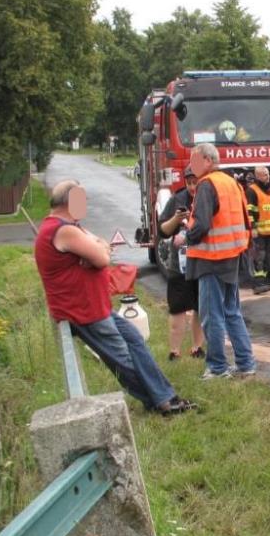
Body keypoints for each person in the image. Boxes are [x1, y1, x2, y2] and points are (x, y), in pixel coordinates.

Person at [34, 180, 196, 416]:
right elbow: (103, 259)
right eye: (82, 199)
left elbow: (103, 246)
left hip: (96, 307)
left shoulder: (71, 226)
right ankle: (158, 403)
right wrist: (97, 252)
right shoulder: (63, 230)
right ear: (70, 202)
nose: (85, 204)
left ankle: (166, 396)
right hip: (82, 311)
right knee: (123, 358)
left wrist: (98, 249)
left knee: (136, 343)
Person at [174, 143, 258, 380]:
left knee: (212, 315)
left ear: (207, 161)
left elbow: (201, 224)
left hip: (211, 258)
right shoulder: (230, 182)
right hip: (231, 256)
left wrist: (184, 236)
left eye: (195, 161)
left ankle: (218, 368)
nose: (191, 165)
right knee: (232, 312)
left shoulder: (206, 184)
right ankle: (245, 363)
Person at [158, 165, 205, 361]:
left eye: (196, 183)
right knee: (177, 307)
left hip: (202, 262)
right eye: (190, 183)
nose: (193, 187)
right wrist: (176, 219)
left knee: (200, 308)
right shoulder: (176, 199)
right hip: (179, 265)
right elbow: (163, 231)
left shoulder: (207, 198)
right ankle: (174, 351)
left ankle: (197, 348)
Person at [245, 165, 270, 275]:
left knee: (268, 258)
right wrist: (253, 228)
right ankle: (258, 282)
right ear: (258, 176)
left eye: (268, 174)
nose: (268, 176)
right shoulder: (252, 191)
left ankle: (263, 279)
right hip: (258, 232)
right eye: (265, 174)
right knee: (260, 257)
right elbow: (249, 212)